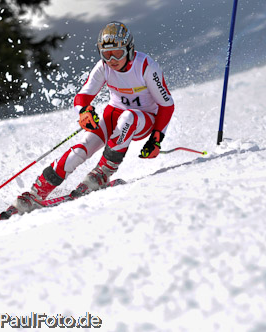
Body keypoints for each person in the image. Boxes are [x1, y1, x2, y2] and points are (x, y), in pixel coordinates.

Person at [13, 21, 175, 214]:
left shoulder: (146, 66)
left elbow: (166, 104)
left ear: (129, 50)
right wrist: (83, 112)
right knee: (82, 148)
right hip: (114, 115)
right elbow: (83, 96)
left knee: (129, 117)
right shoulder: (103, 67)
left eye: (117, 53)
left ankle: (102, 173)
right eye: (106, 54)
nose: (112, 59)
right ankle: (37, 192)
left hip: (144, 121)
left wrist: (156, 139)